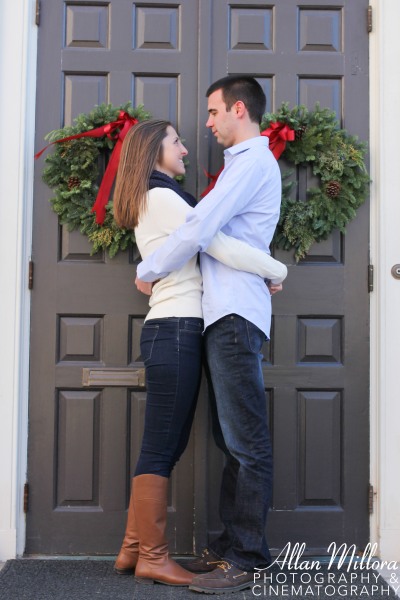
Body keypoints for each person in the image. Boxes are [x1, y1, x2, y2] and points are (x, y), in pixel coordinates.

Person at [112, 118, 287, 588]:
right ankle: (151, 555)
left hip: (175, 327)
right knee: (163, 445)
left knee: (165, 442)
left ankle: (132, 550)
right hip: (175, 327)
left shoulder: (154, 197)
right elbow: (221, 245)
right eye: (176, 142)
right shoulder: (164, 198)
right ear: (153, 152)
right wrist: (275, 268)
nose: (185, 149)